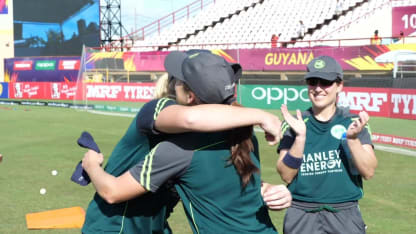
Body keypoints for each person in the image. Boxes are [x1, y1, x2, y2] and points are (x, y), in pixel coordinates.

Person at [82, 51, 292, 234]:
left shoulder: (191, 145)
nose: (174, 82)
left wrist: (266, 190)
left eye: (179, 79)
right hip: (116, 225)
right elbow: (191, 119)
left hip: (153, 223)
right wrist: (261, 116)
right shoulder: (241, 131)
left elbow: (225, 183)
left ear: (190, 95)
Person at [276, 56, 377, 234]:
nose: (318, 88)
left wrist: (352, 139)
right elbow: (286, 175)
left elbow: (368, 172)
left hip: (344, 214)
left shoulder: (353, 122)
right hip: (301, 214)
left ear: (339, 86)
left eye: (326, 82)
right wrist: (300, 138)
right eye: (313, 82)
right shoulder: (295, 123)